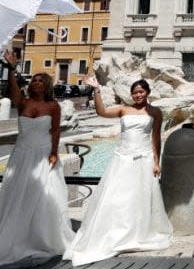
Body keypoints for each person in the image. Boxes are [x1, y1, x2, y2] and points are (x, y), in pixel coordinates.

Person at [64, 76, 172, 265]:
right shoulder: (124, 109)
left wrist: (157, 161)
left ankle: (137, 231)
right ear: (131, 94)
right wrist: (96, 89)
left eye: (141, 91)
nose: (138, 95)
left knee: (139, 197)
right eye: (135, 92)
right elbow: (101, 112)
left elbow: (156, 138)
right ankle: (113, 231)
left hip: (144, 158)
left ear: (147, 92)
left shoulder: (155, 112)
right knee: (116, 196)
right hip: (122, 158)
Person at [0, 51, 74, 266]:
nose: (35, 82)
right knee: (17, 195)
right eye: (33, 80)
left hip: (43, 154)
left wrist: (53, 152)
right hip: (22, 155)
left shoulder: (53, 106)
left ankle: (42, 238)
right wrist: (12, 68)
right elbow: (13, 91)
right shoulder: (22, 103)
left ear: (47, 85)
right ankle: (16, 235)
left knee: (43, 196)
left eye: (40, 80)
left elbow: (56, 131)